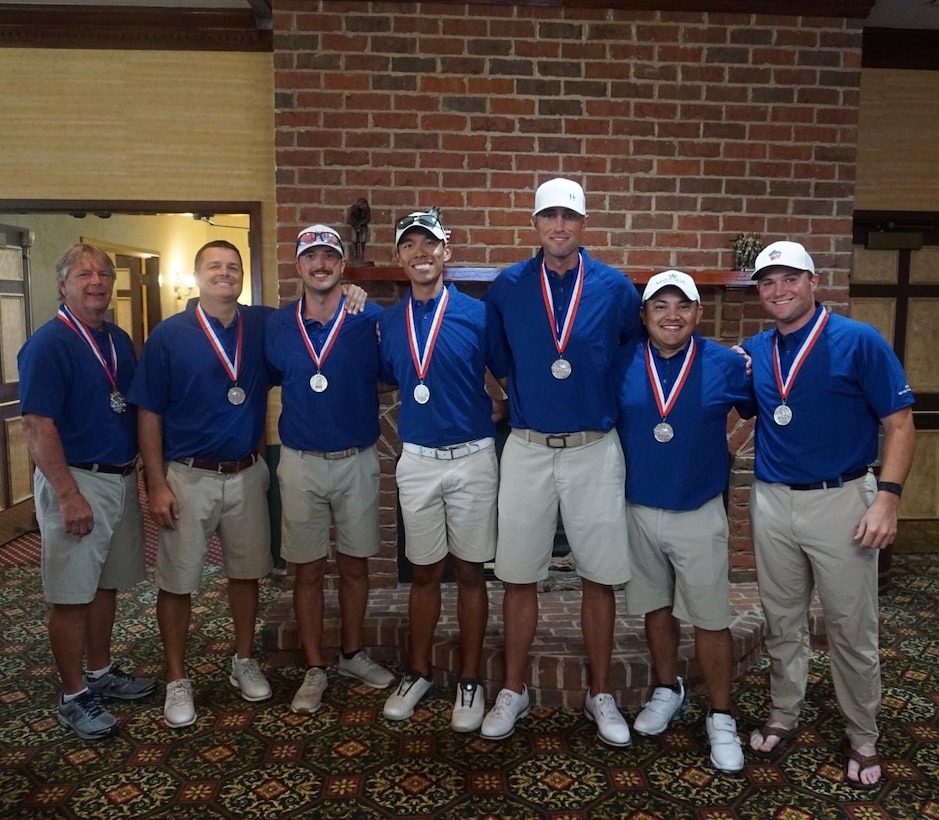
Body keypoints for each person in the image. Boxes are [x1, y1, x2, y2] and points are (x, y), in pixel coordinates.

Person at [743, 240, 915, 789]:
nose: (779, 290)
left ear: (814, 283)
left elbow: (900, 425)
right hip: (771, 500)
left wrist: (886, 497)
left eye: (790, 278)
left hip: (841, 499)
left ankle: (862, 733)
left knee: (849, 626)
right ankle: (783, 712)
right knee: (782, 620)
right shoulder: (755, 350)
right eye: (768, 282)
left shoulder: (858, 341)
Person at [480, 178, 641, 746]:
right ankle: (514, 687)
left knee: (600, 575)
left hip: (594, 449)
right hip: (526, 447)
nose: (559, 226)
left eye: (569, 216)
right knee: (519, 573)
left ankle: (601, 692)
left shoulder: (617, 288)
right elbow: (499, 356)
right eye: (548, 216)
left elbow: (628, 354)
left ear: (583, 223)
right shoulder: (508, 287)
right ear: (535, 223)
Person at [129, 240, 274, 729]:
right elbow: (148, 411)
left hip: (246, 473)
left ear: (242, 277)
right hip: (187, 476)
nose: (225, 273)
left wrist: (354, 293)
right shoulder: (169, 335)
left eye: (233, 267)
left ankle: (243, 659)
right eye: (215, 266)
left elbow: (312, 319)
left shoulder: (260, 325)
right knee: (178, 580)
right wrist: (156, 482)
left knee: (246, 573)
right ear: (198, 276)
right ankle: (176, 677)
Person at [378, 208, 509, 733]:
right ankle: (418, 670)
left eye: (429, 243)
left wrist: (500, 408)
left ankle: (471, 678)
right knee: (425, 571)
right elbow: (393, 376)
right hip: (418, 460)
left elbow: (508, 375)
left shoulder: (478, 315)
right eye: (409, 246)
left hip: (474, 457)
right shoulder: (388, 323)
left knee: (472, 571)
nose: (420, 253)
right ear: (400, 258)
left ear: (446, 252)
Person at [615, 269, 751, 772]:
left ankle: (721, 715)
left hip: (698, 509)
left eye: (683, 306)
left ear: (699, 313)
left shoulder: (725, 363)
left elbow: (764, 405)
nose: (672, 316)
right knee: (656, 608)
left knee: (711, 618)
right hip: (637, 508)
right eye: (660, 306)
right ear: (644, 315)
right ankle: (667, 689)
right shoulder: (622, 360)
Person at [18, 243, 155, 741]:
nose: (96, 281)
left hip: (119, 477)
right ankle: (73, 694)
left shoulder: (118, 339)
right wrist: (68, 494)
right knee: (71, 594)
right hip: (76, 480)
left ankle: (100, 672)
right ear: (63, 284)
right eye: (83, 274)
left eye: (103, 273)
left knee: (105, 584)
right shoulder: (48, 344)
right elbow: (36, 425)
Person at [265, 225, 393, 715]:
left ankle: (353, 653)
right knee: (307, 569)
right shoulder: (277, 326)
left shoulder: (368, 317)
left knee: (357, 564)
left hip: (356, 459)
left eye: (329, 256)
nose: (320, 264)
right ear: (298, 266)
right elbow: (277, 376)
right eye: (310, 256)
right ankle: (316, 667)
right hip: (299, 463)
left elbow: (392, 373)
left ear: (343, 266)